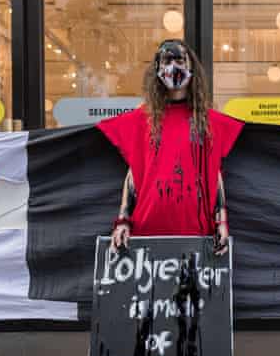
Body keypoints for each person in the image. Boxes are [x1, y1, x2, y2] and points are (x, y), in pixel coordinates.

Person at [97, 39, 243, 255]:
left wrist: (221, 221)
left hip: (197, 235)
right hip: (147, 233)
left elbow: (215, 172)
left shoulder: (208, 122)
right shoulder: (141, 120)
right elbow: (135, 172)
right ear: (157, 68)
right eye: (167, 60)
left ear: (191, 66)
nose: (174, 66)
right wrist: (123, 221)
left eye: (180, 60)